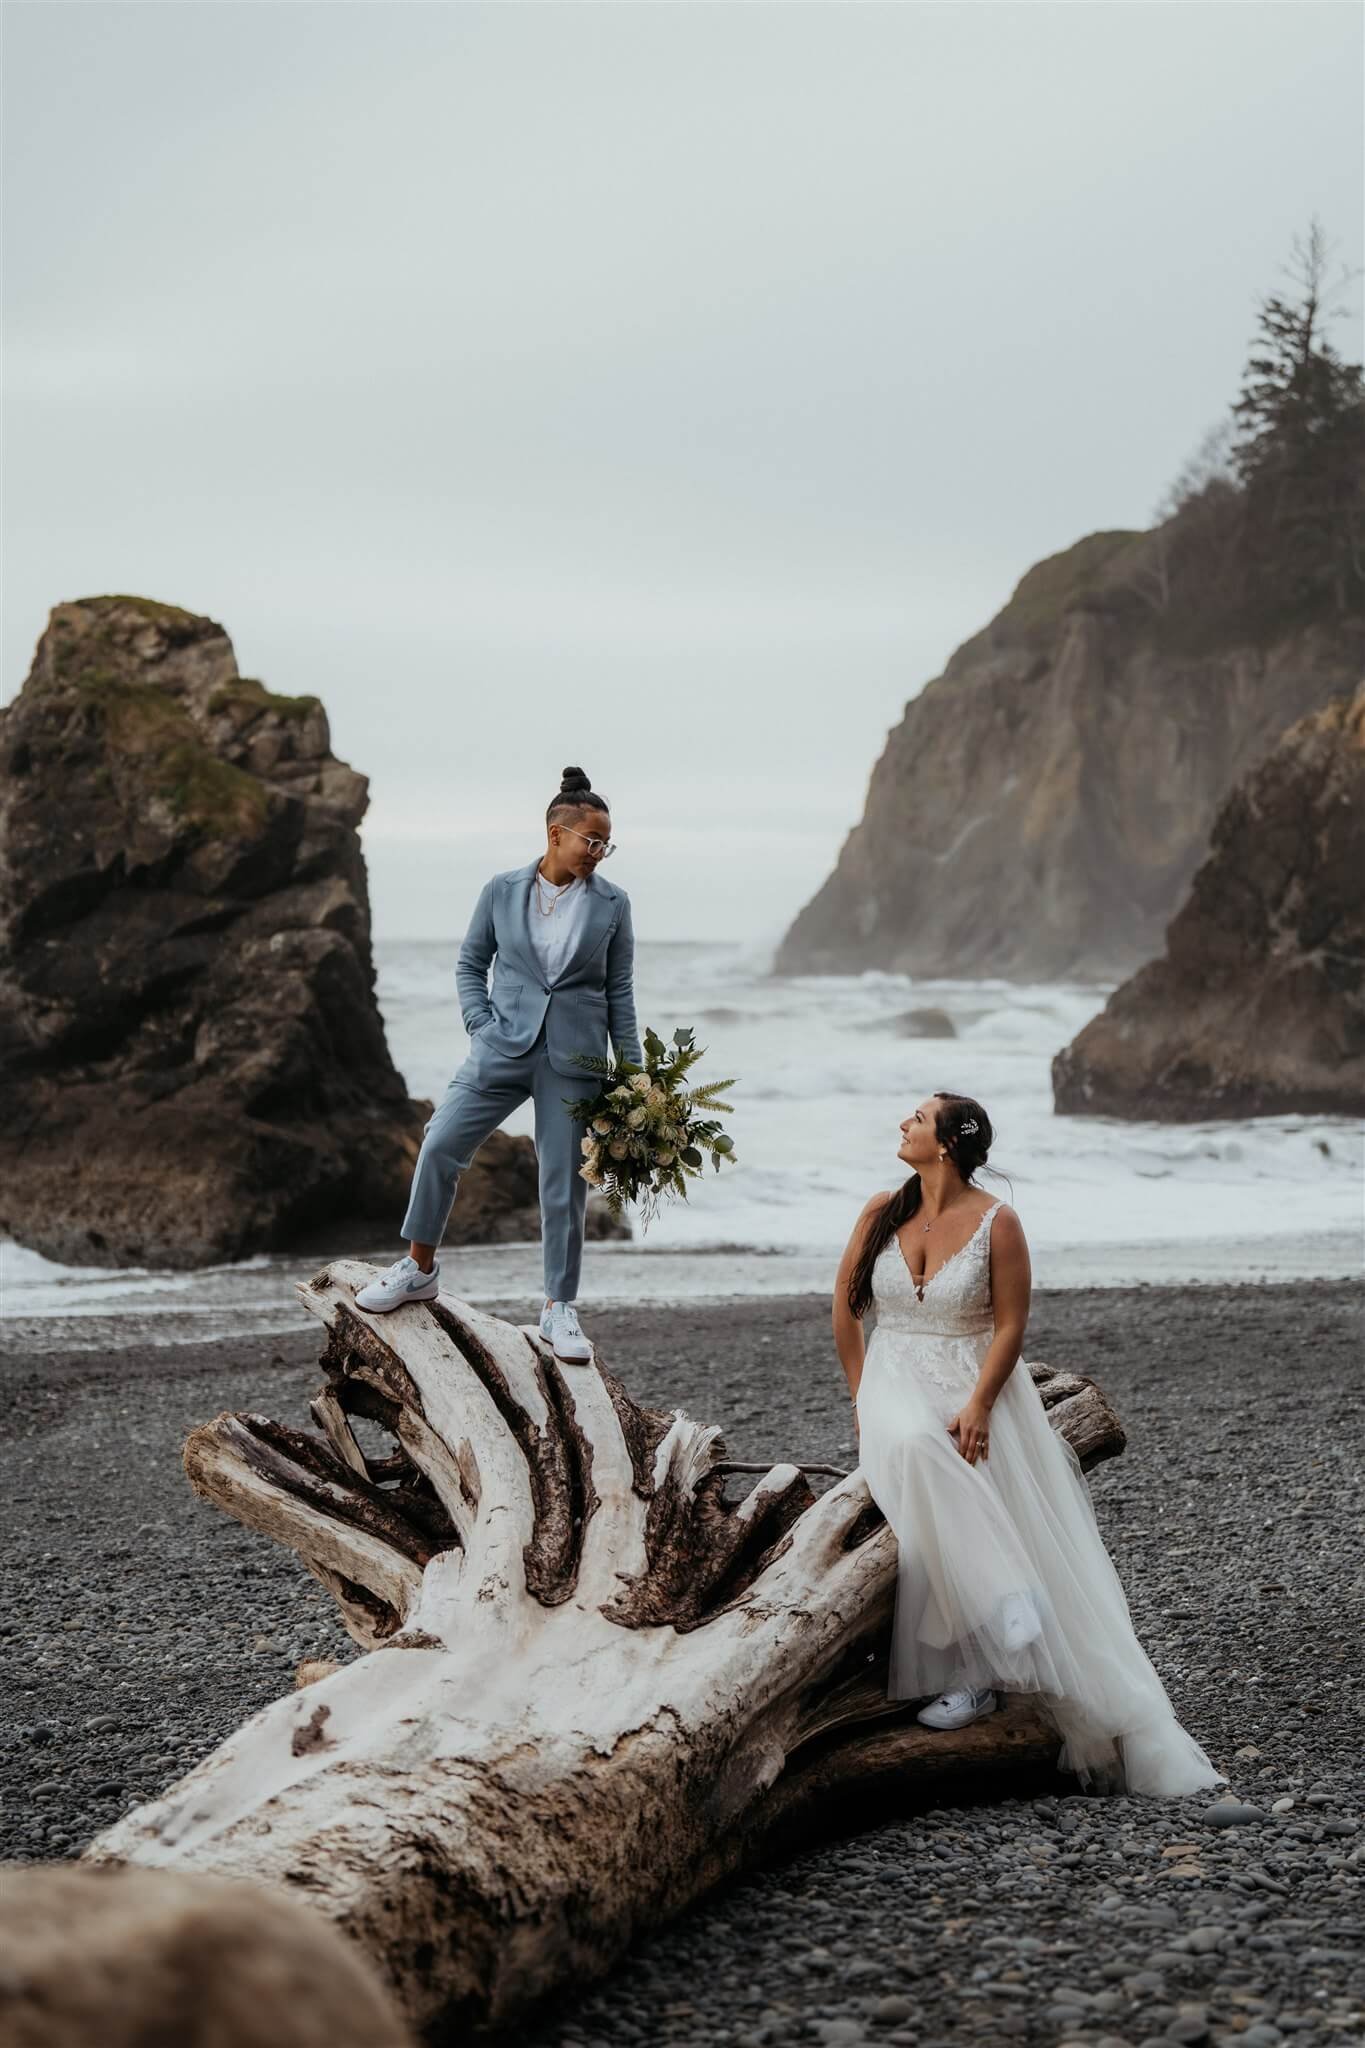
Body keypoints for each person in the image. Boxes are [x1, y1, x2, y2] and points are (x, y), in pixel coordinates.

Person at [832, 1090, 1228, 1798]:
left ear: (948, 1143)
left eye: (917, 1118)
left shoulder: (997, 1223)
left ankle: (973, 1680)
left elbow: (1011, 1325)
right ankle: (1006, 1597)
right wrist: (862, 1398)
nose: (902, 1123)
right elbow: (844, 1310)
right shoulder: (879, 1211)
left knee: (949, 1464)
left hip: (971, 1374)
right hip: (891, 1377)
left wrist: (980, 1402)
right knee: (921, 1449)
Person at [354, 766, 642, 1363]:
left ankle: (559, 1308)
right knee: (438, 1143)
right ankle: (418, 1268)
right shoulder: (501, 890)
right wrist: (481, 1027)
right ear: (555, 833)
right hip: (501, 1047)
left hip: (575, 1059)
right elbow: (469, 965)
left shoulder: (615, 905)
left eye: (605, 843)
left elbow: (620, 994)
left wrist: (635, 1078)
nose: (598, 852)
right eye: (591, 840)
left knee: (561, 1186)